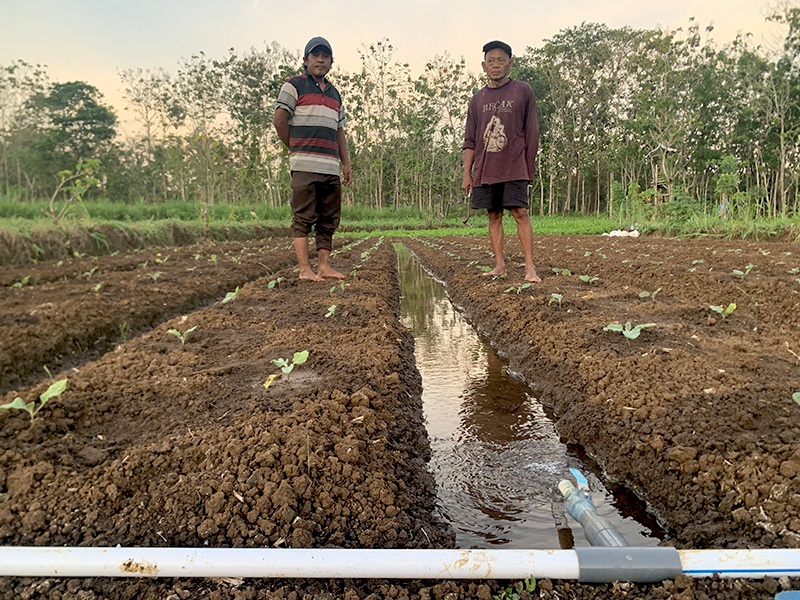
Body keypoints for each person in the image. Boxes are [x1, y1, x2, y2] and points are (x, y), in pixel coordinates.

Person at [273, 36, 353, 281]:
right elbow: (279, 121)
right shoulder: (294, 85)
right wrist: (296, 148)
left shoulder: (335, 94)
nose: (321, 60)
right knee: (303, 216)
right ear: (305, 60)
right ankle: (304, 269)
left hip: (330, 167)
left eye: (325, 56)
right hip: (305, 166)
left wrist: (345, 163)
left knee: (328, 218)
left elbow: (339, 131)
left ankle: (324, 267)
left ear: (331, 62)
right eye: (315, 55)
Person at [461, 40, 541, 283]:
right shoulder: (477, 99)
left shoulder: (522, 91)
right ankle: (499, 266)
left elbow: (532, 131)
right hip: (486, 168)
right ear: (484, 66)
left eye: (501, 60)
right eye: (491, 61)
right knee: (493, 216)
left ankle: (530, 268)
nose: (496, 65)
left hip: (515, 165)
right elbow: (470, 139)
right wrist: (467, 174)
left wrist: (528, 167)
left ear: (510, 63)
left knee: (520, 212)